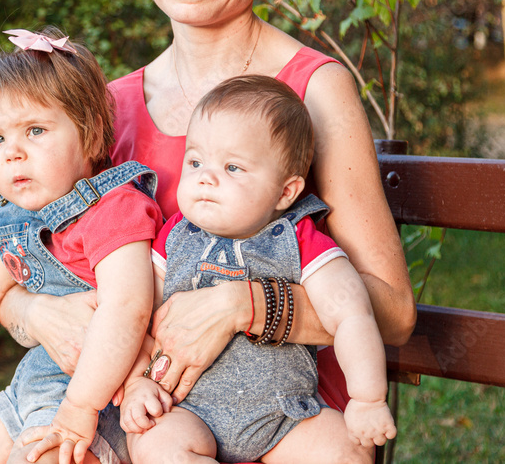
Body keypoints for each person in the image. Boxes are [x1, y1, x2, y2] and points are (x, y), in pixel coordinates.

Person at [0, 0, 416, 464]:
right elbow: (22, 266)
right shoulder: (106, 104)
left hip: (286, 424)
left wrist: (242, 304)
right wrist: (36, 315)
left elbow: (391, 311)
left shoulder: (311, 89)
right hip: (142, 417)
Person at [119, 75, 396, 463]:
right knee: (157, 445)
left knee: (342, 451)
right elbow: (132, 314)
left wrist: (368, 398)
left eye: (233, 167)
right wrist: (136, 383)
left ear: (286, 192)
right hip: (186, 410)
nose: (206, 176)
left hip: (284, 417)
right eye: (195, 161)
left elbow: (352, 314)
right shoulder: (175, 236)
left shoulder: (297, 239)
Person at [0, 28, 163, 464]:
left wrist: (80, 406)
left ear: (91, 131)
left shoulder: (114, 208)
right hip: (26, 390)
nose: (12, 153)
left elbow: (127, 308)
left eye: (35, 130)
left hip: (93, 402)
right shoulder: (14, 220)